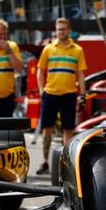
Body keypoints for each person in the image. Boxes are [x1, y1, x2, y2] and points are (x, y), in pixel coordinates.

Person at [36, 18, 87, 174]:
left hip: (69, 95)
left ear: (69, 30)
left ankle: (66, 165)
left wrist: (83, 94)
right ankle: (45, 162)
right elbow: (40, 71)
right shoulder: (48, 49)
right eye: (59, 29)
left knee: (68, 130)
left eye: (64, 29)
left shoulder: (77, 50)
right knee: (47, 131)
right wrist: (41, 91)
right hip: (50, 94)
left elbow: (81, 74)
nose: (61, 32)